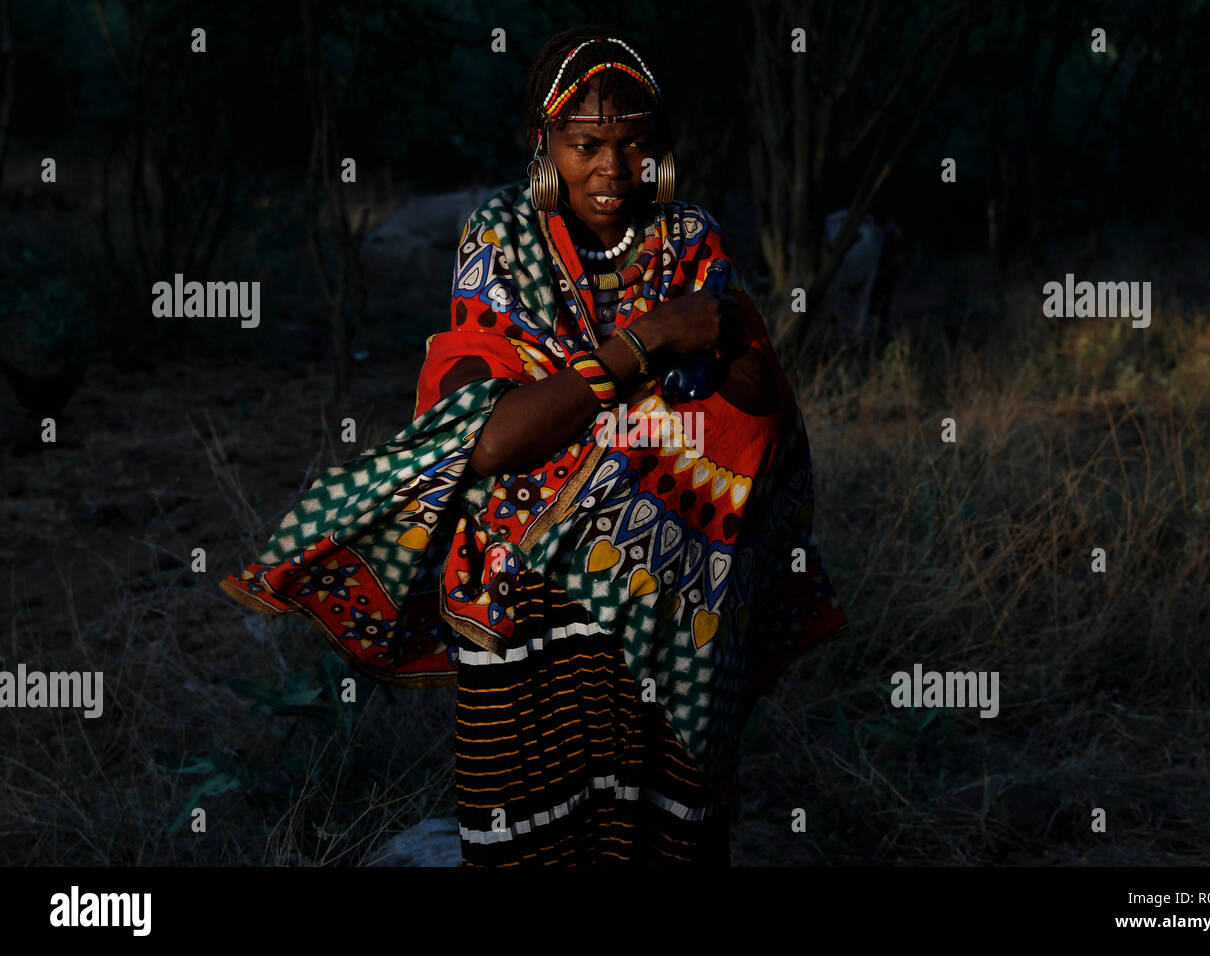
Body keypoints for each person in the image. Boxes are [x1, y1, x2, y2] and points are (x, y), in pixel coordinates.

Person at [220, 25, 847, 866]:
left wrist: (699, 349)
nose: (612, 170)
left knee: (662, 830)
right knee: (532, 839)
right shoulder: (501, 237)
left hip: (678, 591)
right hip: (525, 597)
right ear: (542, 141)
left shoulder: (691, 235)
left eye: (634, 145)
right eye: (585, 144)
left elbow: (758, 408)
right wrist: (653, 339)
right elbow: (491, 441)